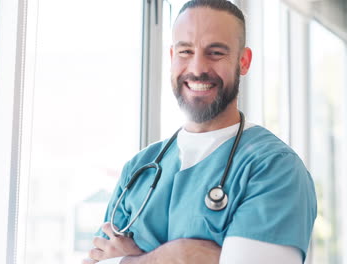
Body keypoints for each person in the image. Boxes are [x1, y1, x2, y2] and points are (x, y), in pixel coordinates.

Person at [83, 0, 317, 263]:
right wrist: (181, 255)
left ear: (243, 61)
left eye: (215, 53)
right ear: (172, 57)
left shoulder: (274, 168)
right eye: (185, 52)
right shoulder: (138, 169)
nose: (197, 68)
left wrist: (134, 258)